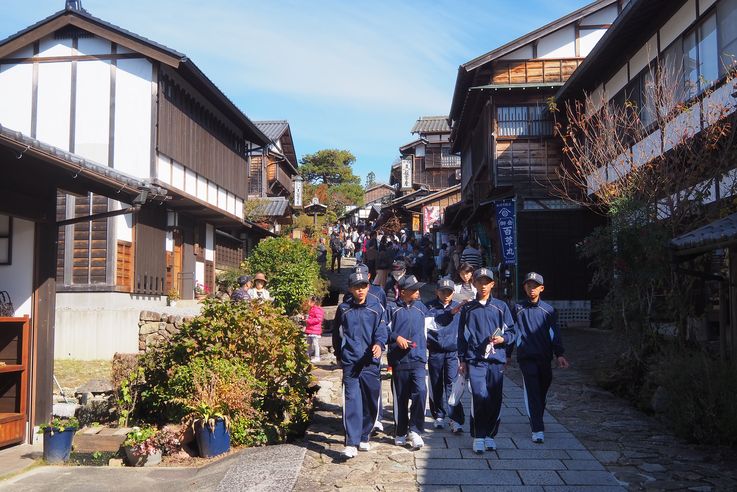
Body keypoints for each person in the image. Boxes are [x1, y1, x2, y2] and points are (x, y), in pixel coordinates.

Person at [457, 267, 516, 454]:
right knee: (479, 395)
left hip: (496, 359)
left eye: (486, 282)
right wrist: (462, 359)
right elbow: (462, 336)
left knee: (494, 398)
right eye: (479, 282)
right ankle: (478, 436)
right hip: (475, 360)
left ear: (492, 284)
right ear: (473, 283)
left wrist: (503, 339)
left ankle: (490, 434)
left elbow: (512, 332)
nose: (483, 286)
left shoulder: (501, 307)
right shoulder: (467, 308)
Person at [332, 272, 388, 458]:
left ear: (368, 287)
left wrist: (379, 345)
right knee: (352, 400)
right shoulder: (343, 309)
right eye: (356, 286)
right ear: (350, 289)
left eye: (363, 286)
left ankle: (365, 435)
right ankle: (352, 441)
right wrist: (339, 355)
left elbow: (382, 331)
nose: (360, 290)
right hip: (350, 361)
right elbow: (336, 334)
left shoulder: (377, 308)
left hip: (370, 363)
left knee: (371, 401)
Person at [510, 272, 569, 444]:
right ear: (524, 288)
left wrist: (559, 354)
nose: (532, 289)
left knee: (542, 389)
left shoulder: (548, 311)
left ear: (541, 288)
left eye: (535, 286)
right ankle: (537, 428)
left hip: (544, 357)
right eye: (528, 285)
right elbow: (511, 332)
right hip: (526, 356)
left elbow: (554, 334)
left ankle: (538, 416)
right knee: (532, 391)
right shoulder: (518, 309)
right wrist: (506, 354)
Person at [386, 275, 428, 450]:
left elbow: (434, 324)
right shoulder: (391, 309)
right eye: (414, 290)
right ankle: (401, 431)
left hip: (418, 359)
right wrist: (397, 338)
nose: (418, 292)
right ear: (403, 292)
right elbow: (381, 330)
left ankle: (415, 430)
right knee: (401, 398)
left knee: (421, 392)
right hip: (399, 361)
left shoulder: (422, 308)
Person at [426, 278, 464, 433]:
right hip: (435, 350)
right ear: (437, 292)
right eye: (443, 291)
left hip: (452, 352)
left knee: (452, 384)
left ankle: (455, 418)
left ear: (453, 293)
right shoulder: (428, 306)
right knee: (435, 384)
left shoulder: (459, 307)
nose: (446, 294)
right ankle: (438, 415)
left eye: (449, 291)